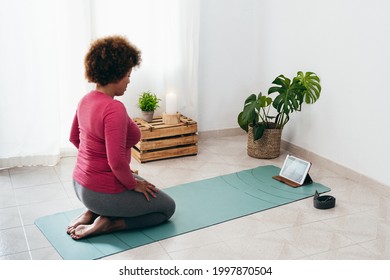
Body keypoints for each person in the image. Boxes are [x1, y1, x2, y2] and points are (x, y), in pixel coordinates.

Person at [67, 35, 176, 240]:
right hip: (100, 193)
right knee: (167, 208)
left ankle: (92, 212)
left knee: (145, 186)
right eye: (127, 74)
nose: (129, 79)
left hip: (79, 185)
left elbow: (75, 138)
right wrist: (131, 183)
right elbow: (116, 161)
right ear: (115, 74)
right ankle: (110, 222)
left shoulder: (86, 100)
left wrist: (96, 167)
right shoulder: (113, 108)